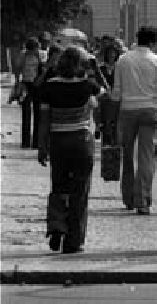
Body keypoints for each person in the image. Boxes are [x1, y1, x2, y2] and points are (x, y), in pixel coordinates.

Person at [35, 46, 105, 254]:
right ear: (82, 64)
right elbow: (108, 93)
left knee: (59, 187)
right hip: (82, 142)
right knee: (80, 192)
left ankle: (57, 227)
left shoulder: (49, 87)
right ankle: (74, 241)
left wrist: (42, 146)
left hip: (58, 142)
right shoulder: (88, 86)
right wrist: (96, 69)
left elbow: (44, 121)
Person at [111, 26, 157, 214]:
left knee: (127, 155)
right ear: (153, 42)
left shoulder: (123, 60)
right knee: (146, 156)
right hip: (150, 110)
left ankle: (128, 197)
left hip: (128, 110)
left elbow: (116, 92)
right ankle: (142, 199)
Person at [11, 37, 43, 148]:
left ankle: (36, 141)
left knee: (38, 112)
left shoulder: (40, 55)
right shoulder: (23, 55)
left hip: (37, 84)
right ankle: (25, 141)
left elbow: (43, 68)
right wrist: (17, 82)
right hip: (26, 83)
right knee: (26, 112)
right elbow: (17, 68)